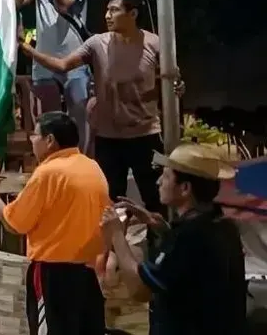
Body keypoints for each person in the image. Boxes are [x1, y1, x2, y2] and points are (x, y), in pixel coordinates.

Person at [20, 0, 182, 214]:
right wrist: (29, 51)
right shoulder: (97, 44)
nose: (107, 15)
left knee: (155, 202)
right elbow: (63, 65)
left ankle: (160, 246)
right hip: (109, 138)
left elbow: (173, 79)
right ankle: (114, 248)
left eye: (114, 10)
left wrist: (177, 88)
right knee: (110, 204)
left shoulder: (154, 44)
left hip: (145, 136)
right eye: (107, 10)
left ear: (132, 14)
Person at [0, 111, 109, 335]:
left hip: (54, 275)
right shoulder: (92, 167)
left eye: (35, 135)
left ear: (49, 140)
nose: (31, 140)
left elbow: (13, 224)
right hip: (87, 274)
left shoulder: (47, 173)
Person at [100, 143, 245, 335]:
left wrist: (117, 235)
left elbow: (140, 289)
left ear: (185, 188)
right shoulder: (223, 226)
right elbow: (186, 266)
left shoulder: (188, 238)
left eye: (166, 176)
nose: (159, 181)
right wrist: (161, 229)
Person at [15, 0, 92, 152]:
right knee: (48, 120)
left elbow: (63, 5)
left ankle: (80, 161)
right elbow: (16, 1)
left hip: (73, 59)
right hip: (43, 60)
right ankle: (52, 160)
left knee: (78, 117)